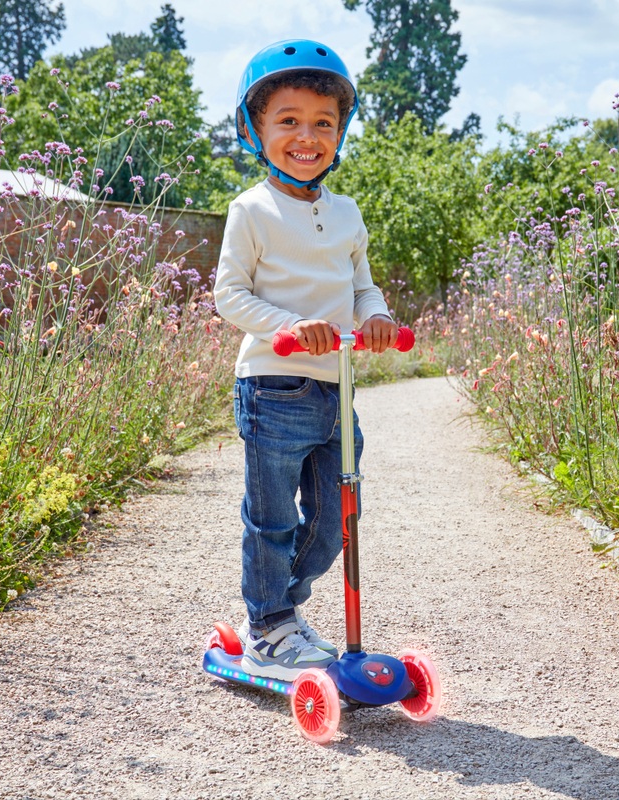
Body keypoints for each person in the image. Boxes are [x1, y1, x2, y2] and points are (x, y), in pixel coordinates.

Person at [213, 39, 398, 680]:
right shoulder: (252, 210)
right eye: (287, 120)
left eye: (324, 122)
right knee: (272, 519)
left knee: (331, 523)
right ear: (254, 129)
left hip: (333, 387)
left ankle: (279, 611)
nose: (306, 136)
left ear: (340, 132)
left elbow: (362, 286)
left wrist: (373, 316)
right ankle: (268, 625)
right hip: (272, 384)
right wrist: (293, 326)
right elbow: (229, 294)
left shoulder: (347, 214)